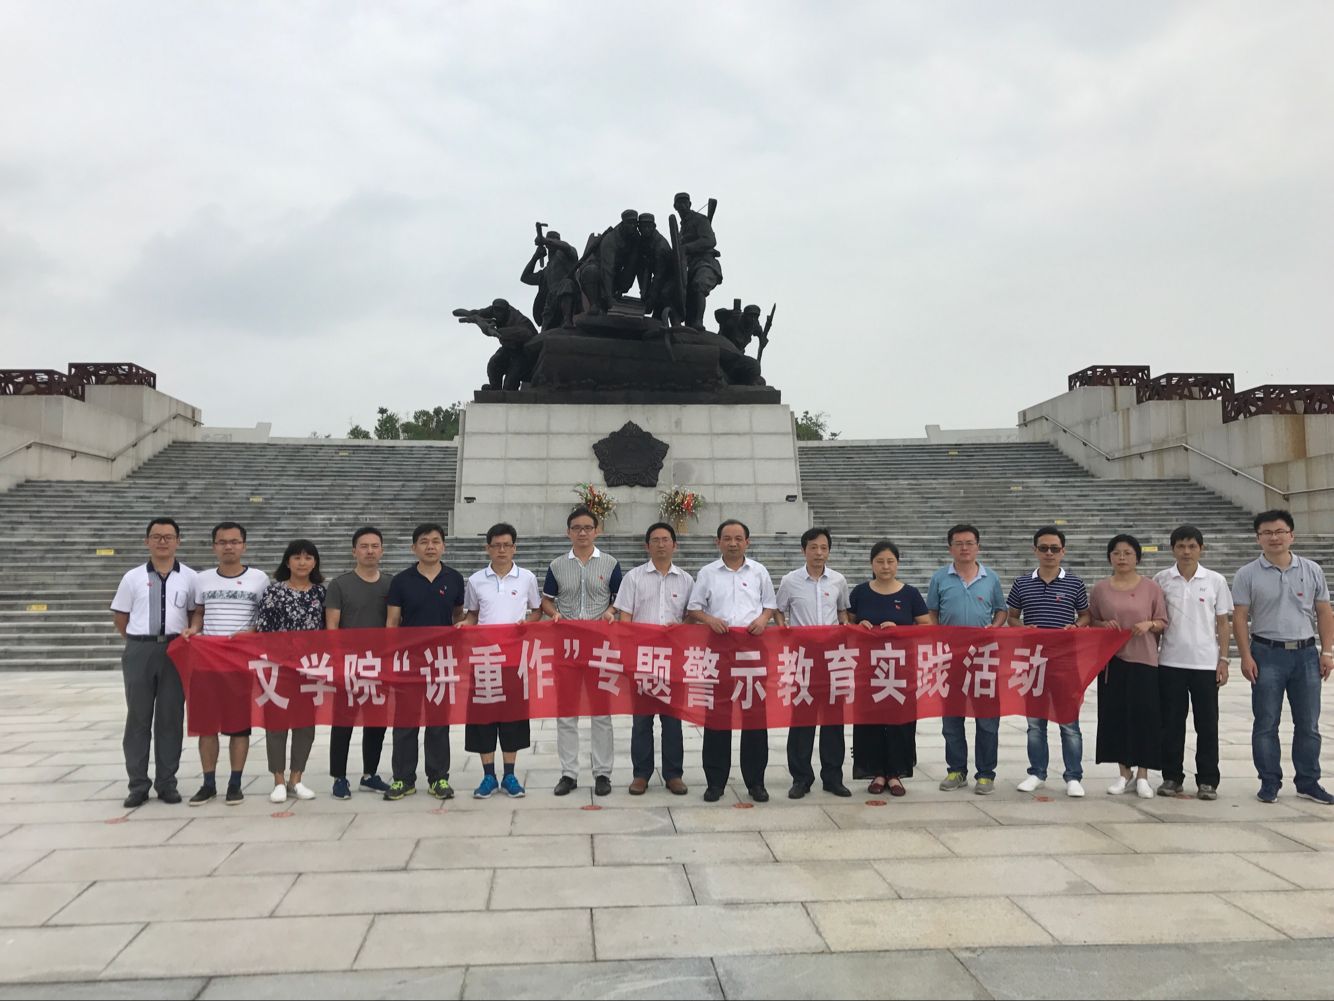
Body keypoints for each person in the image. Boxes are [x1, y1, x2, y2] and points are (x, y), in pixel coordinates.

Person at [1233, 509, 1334, 805]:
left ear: (1292, 535)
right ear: (1258, 538)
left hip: (1306, 655)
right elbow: (1239, 617)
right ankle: (1269, 782)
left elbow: (1324, 612)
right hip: (1266, 654)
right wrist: (1245, 656)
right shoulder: (1247, 574)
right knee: (1266, 722)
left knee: (1309, 724)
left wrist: (1327, 651)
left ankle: (1308, 781)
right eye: (1267, 533)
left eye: (1279, 531)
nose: (1274, 537)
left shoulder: (1311, 569)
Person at [686, 519, 777, 803]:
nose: (733, 543)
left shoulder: (759, 571)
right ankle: (715, 782)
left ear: (747, 542)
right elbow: (694, 608)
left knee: (754, 718)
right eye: (727, 538)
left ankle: (756, 782)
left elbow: (770, 605)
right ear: (718, 542)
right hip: (719, 652)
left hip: (752, 652)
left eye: (739, 538)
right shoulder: (708, 573)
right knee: (717, 717)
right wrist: (709, 619)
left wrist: (763, 619)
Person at [110, 517, 197, 808]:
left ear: (178, 541)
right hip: (140, 649)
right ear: (147, 541)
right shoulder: (132, 577)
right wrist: (139, 642)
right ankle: (137, 785)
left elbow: (194, 613)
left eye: (168, 536)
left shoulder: (190, 577)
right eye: (156, 536)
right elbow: (121, 617)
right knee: (138, 717)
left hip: (176, 650)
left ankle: (166, 782)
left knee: (170, 717)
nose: (162, 541)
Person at [187, 522, 269, 805]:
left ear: (244, 546)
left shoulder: (259, 579)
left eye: (234, 541)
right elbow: (199, 612)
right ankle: (208, 783)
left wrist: (251, 633)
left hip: (240, 662)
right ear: (214, 547)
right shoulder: (202, 579)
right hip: (207, 661)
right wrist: (193, 629)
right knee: (206, 726)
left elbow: (264, 618)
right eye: (222, 542)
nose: (229, 547)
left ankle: (235, 783)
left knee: (239, 726)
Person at [543, 507, 624, 797]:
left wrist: (611, 612)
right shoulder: (556, 565)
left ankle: (602, 773)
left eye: (587, 527)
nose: (582, 532)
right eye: (576, 528)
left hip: (600, 646)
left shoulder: (611, 564)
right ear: (568, 532)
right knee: (566, 712)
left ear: (597, 531)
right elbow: (546, 600)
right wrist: (553, 614)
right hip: (567, 646)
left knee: (601, 712)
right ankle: (569, 773)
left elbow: (619, 599)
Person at [384, 523, 466, 802]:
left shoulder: (455, 579)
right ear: (414, 548)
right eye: (423, 541)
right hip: (409, 661)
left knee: (438, 721)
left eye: (435, 541)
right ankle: (403, 779)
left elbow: (457, 617)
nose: (430, 546)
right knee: (405, 721)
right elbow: (392, 622)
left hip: (441, 661)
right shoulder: (401, 581)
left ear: (443, 546)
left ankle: (438, 777)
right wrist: (391, 658)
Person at [1007, 526, 1091, 798]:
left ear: (1063, 551)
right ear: (1035, 551)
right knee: (1035, 724)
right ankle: (1037, 773)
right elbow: (1012, 616)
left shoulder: (1074, 583)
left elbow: (1086, 615)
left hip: (1065, 662)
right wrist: (1022, 628)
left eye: (1054, 548)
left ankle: (1073, 776)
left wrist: (1076, 626)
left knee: (1069, 723)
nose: (1049, 553)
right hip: (1033, 661)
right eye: (1043, 548)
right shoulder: (1022, 583)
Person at [462, 522, 543, 799]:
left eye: (506, 545)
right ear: (488, 548)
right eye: (496, 545)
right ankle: (488, 776)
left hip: (514, 660)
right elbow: (472, 614)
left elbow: (536, 610)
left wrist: (528, 623)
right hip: (484, 659)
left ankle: (509, 775)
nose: (501, 550)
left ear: (514, 548)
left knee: (513, 718)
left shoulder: (527, 578)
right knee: (482, 719)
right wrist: (464, 625)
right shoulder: (476, 580)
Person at [1153, 526, 1233, 801]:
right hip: (1170, 662)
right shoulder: (1161, 580)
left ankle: (1208, 780)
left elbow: (1223, 623)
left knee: (1207, 725)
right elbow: (1157, 622)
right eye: (1180, 546)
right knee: (1171, 724)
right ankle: (1172, 777)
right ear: (1172, 549)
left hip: (1205, 664)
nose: (1186, 552)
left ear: (1201, 549)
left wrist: (1224, 660)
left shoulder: (1215, 580)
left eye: (1192, 546)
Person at [927, 524, 1008, 795]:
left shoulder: (990, 578)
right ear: (950, 548)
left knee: (987, 719)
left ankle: (985, 774)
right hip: (950, 658)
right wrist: (938, 635)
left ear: (978, 547)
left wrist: (995, 626)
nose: (964, 548)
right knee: (952, 719)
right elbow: (932, 613)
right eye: (959, 543)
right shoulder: (940, 578)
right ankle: (956, 770)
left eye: (969, 543)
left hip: (985, 659)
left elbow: (1001, 611)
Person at [614, 521, 694, 795]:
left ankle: (673, 774)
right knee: (642, 720)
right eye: (656, 540)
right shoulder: (633, 577)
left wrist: (681, 628)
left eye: (665, 540)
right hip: (642, 659)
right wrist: (627, 657)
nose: (661, 544)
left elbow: (691, 618)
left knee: (672, 720)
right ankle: (641, 774)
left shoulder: (686, 580)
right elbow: (625, 618)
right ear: (647, 546)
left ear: (675, 545)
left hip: (673, 660)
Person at [1089, 533, 1168, 799]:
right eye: (1116, 553)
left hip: (1144, 660)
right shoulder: (1100, 589)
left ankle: (1143, 775)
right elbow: (1092, 620)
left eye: (1127, 553)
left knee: (1145, 717)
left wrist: (1149, 624)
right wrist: (1103, 625)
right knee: (1115, 717)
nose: (1122, 558)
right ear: (1109, 557)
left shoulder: (1151, 587)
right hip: (1112, 663)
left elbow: (1163, 621)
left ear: (1137, 558)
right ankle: (1124, 773)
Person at [776, 528, 852, 799]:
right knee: (802, 719)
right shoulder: (790, 581)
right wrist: (783, 628)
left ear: (829, 551)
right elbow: (778, 610)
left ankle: (833, 777)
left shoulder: (838, 580)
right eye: (813, 548)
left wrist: (845, 624)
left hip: (833, 657)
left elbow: (843, 610)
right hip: (802, 657)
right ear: (803, 550)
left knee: (834, 719)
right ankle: (801, 778)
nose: (819, 553)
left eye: (823, 548)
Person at [848, 539, 929, 797]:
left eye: (890, 561)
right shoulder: (860, 592)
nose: (885, 566)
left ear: (897, 564)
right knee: (870, 721)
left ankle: (895, 774)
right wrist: (858, 627)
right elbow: (846, 624)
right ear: (871, 564)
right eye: (880, 561)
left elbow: (927, 626)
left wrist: (901, 630)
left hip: (900, 670)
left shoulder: (910, 594)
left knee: (899, 723)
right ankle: (876, 773)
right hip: (868, 670)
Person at [256, 539, 326, 804]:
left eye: (308, 558)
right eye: (297, 557)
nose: (302, 562)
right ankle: (278, 780)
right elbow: (263, 630)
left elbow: (327, 630)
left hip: (310, 668)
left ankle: (296, 779)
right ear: (288, 562)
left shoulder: (321, 593)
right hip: (278, 667)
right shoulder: (274, 592)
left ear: (315, 562)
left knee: (305, 724)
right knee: (276, 723)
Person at [325, 526, 392, 800]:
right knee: (343, 722)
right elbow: (331, 627)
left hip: (380, 664)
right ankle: (339, 777)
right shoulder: (340, 585)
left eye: (375, 546)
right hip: (349, 664)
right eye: (364, 546)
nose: (369, 551)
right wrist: (337, 663)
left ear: (382, 550)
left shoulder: (390, 584)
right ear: (354, 551)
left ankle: (369, 774)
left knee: (377, 722)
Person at [673, 192, 723, 329]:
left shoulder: (700, 220)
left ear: (690, 204)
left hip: (706, 263)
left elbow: (710, 240)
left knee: (699, 284)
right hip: (691, 266)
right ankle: (689, 324)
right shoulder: (682, 228)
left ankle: (698, 321)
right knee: (685, 294)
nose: (682, 206)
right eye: (679, 203)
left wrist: (687, 247)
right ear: (675, 206)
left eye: (685, 202)